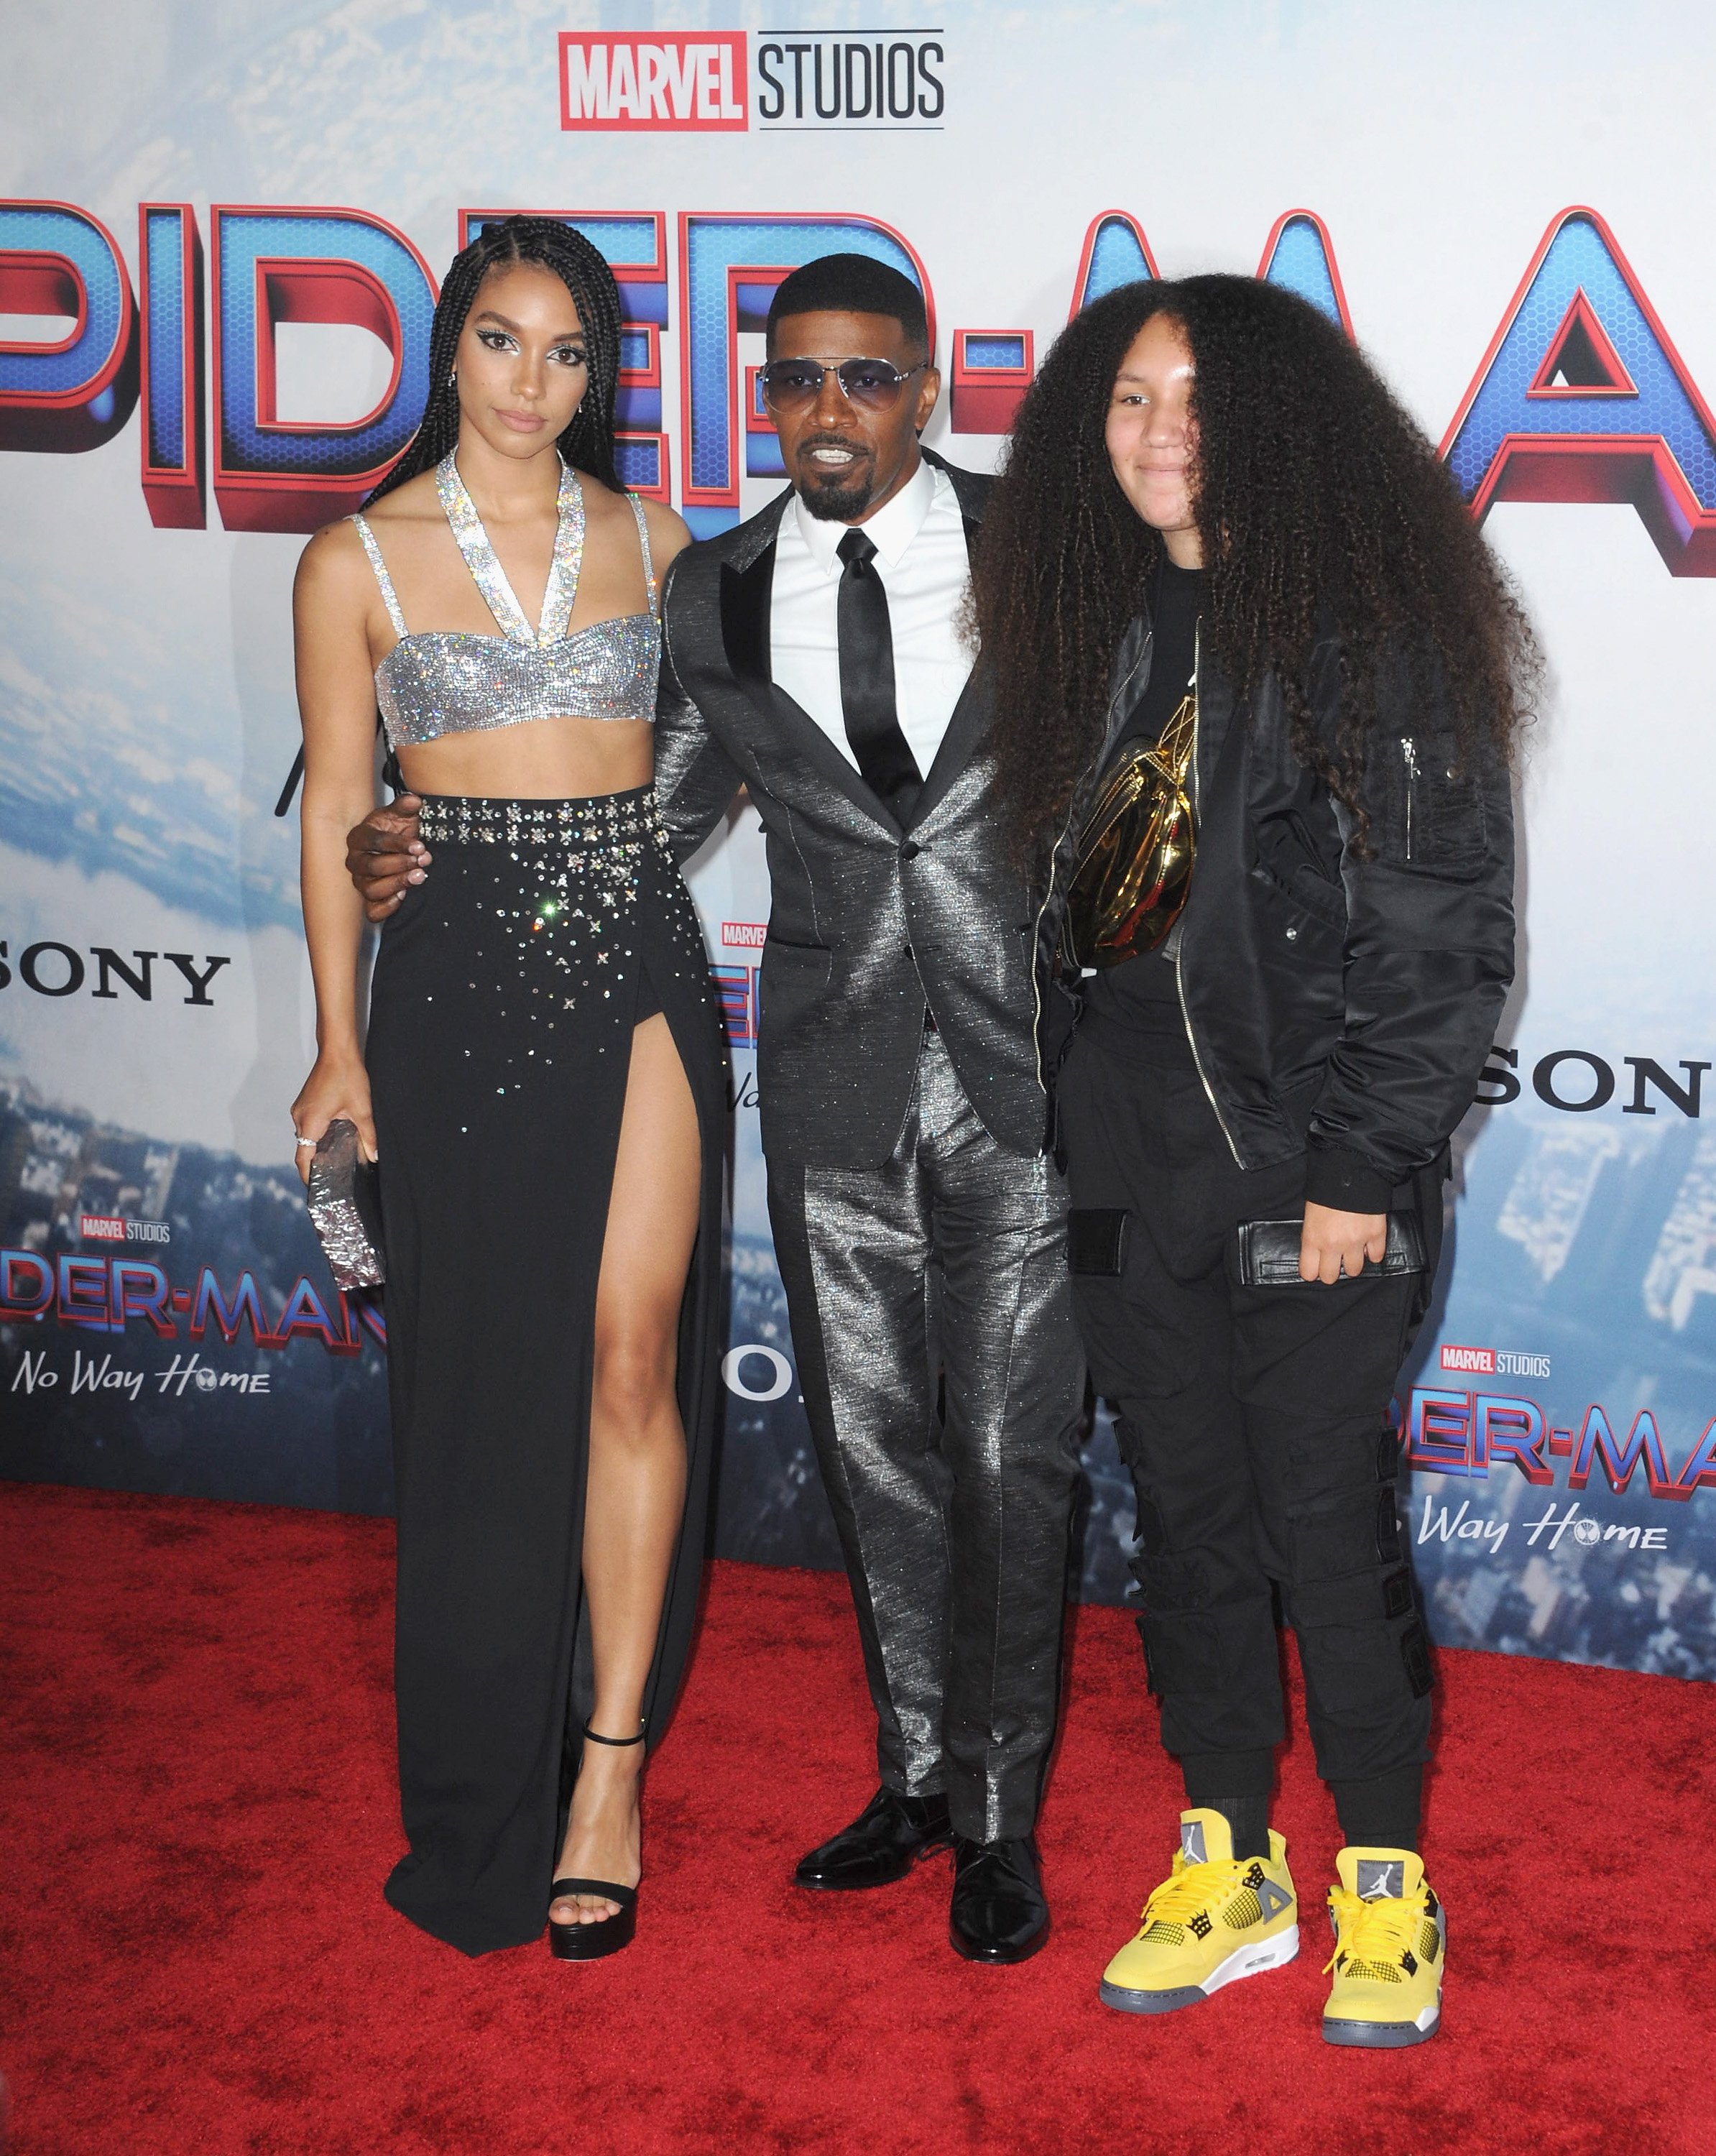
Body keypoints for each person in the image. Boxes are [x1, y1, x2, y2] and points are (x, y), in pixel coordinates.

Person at [348, 252, 1087, 1965]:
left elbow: (1138, 775)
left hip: (1024, 1078)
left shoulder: (1045, 560)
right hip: (827, 1072)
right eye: (799, 382)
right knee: (875, 1447)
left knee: (1006, 1451)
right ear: (765, 394)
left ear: (928, 388)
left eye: (870, 380)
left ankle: (999, 1814)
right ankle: (913, 1777)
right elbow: (640, 809)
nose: (831, 413)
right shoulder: (720, 583)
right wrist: (416, 845)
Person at [969, 275, 1530, 2043]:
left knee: (1320, 1526)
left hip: (1311, 1180)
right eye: (1127, 401)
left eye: (1196, 403)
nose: (1156, 437)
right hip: (1125, 1170)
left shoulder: (1372, 630)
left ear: (1277, 424)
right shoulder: (1081, 614)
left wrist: (1364, 1170)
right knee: (1188, 1526)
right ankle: (1230, 1854)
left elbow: (1437, 931)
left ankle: (1383, 1878)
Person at [290, 216, 726, 1961]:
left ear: (598, 373)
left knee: (634, 1351)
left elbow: (715, 761)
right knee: (485, 1402)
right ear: (448, 347)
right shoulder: (355, 560)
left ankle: (609, 1770)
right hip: (456, 976)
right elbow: (339, 818)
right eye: (502, 342)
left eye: (568, 353)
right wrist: (338, 1038)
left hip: (639, 961)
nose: (533, 383)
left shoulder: (658, 538)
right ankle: (492, 1773)